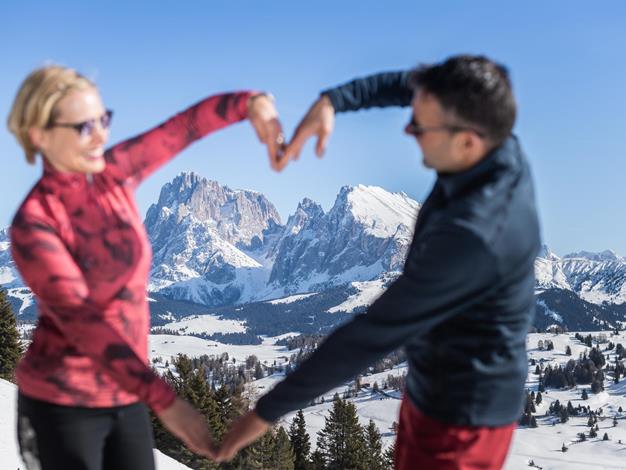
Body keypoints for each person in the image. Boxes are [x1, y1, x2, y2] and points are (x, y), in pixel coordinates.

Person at [216, 55, 541, 469]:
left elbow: (370, 336)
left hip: (465, 421)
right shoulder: (486, 131)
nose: (409, 129)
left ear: (467, 141)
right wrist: (334, 101)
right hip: (431, 389)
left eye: (419, 127)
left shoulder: (474, 235)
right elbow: (409, 87)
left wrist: (265, 412)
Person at [7, 65, 284, 470]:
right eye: (84, 127)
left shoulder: (111, 175)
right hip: (61, 405)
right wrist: (167, 402)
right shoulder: (35, 224)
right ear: (39, 135)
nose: (101, 135)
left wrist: (250, 104)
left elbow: (181, 129)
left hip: (126, 396)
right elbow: (85, 324)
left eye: (103, 119)